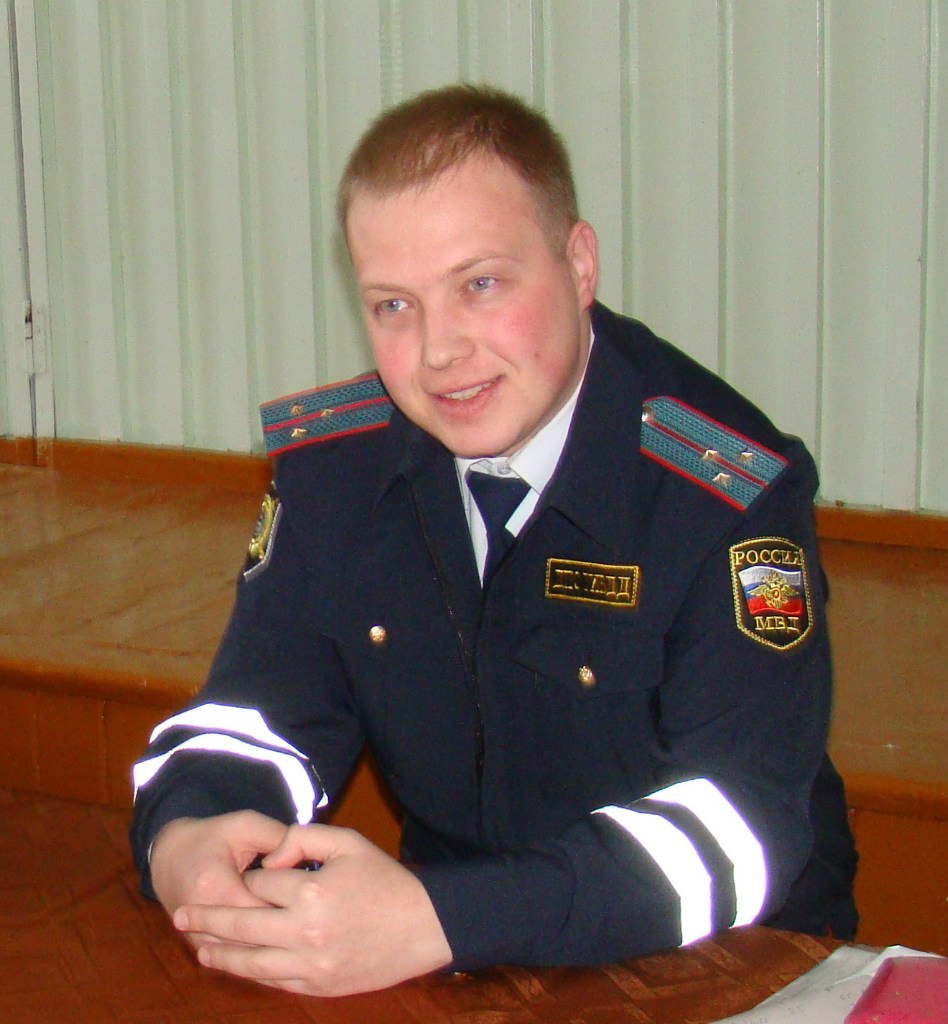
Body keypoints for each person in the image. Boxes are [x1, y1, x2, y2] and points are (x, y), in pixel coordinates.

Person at [130, 84, 857, 998]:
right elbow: (258, 710)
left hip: (723, 966)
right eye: (394, 305)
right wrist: (189, 832)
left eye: (479, 285)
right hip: (462, 967)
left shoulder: (721, 489)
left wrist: (445, 917)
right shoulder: (337, 473)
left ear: (579, 265)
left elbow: (743, 825)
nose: (439, 351)